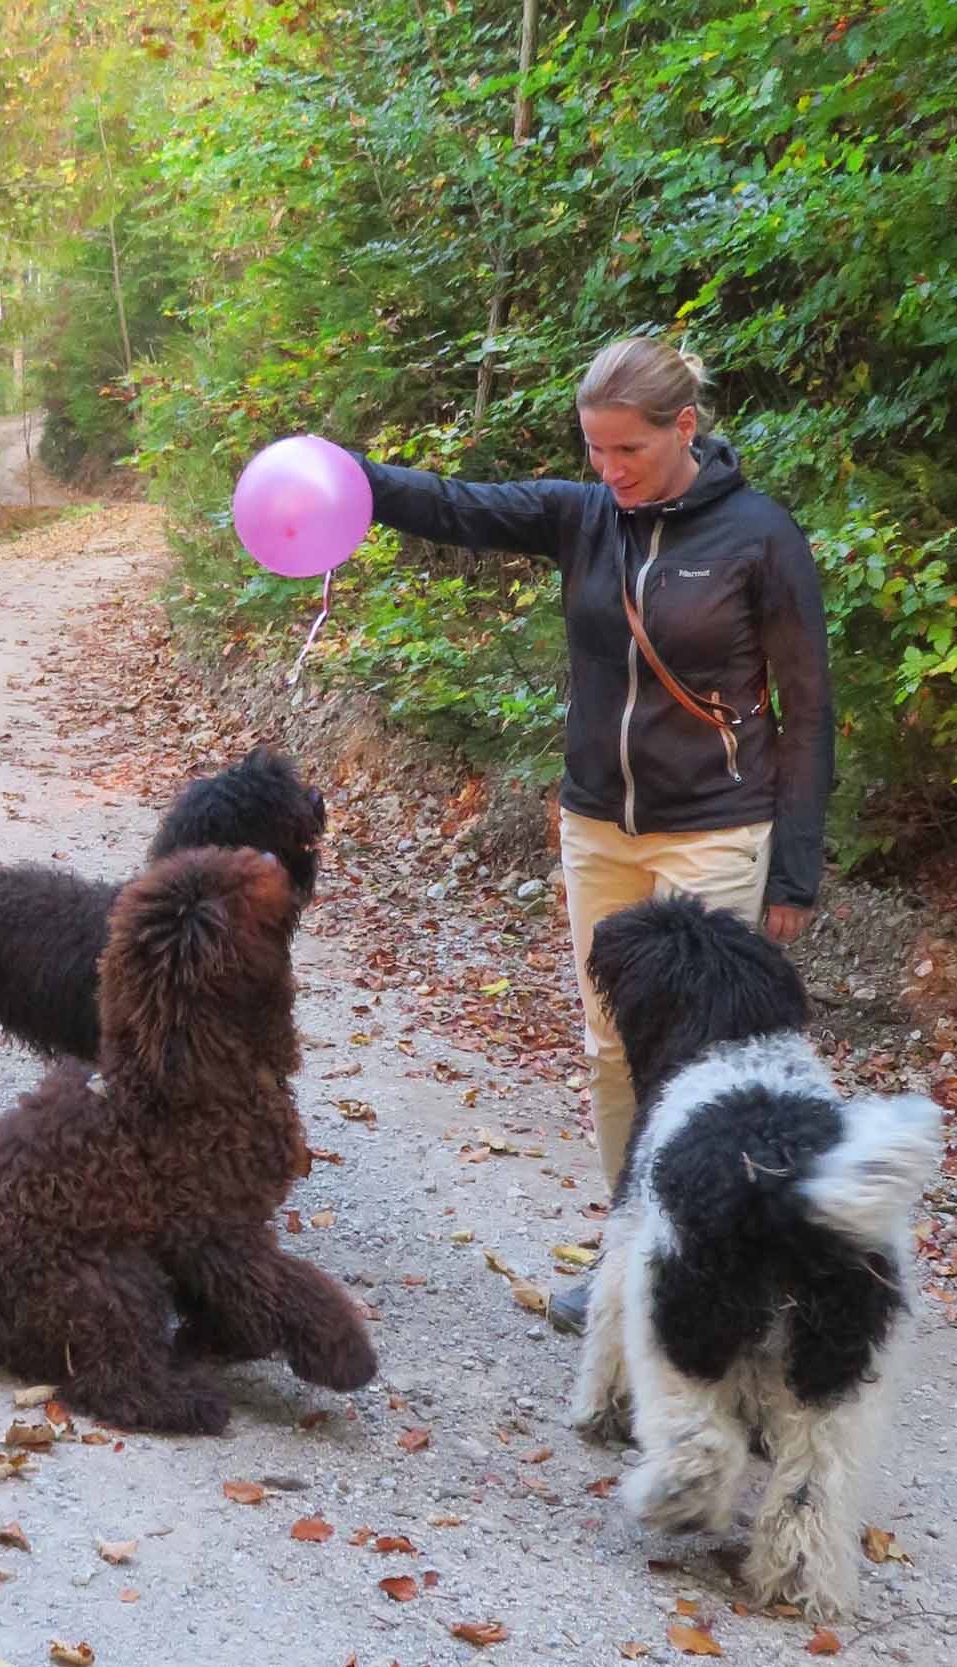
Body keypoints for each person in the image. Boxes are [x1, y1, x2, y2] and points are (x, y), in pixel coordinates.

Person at [349, 336, 834, 1334]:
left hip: (715, 829)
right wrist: (343, 477)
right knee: (611, 1051)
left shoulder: (758, 536)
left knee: (696, 1061)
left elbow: (807, 710)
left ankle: (706, 1266)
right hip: (596, 830)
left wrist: (791, 870)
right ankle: (628, 1254)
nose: (608, 472)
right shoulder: (583, 519)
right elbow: (456, 504)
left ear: (682, 428)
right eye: (594, 451)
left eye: (628, 452)